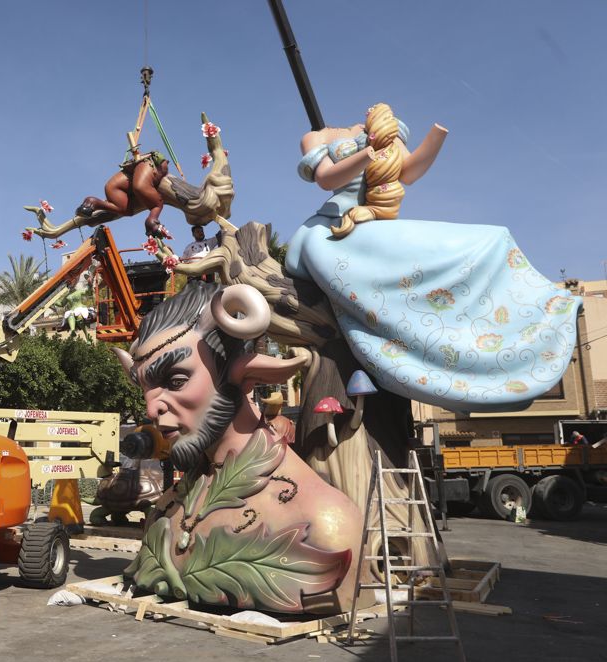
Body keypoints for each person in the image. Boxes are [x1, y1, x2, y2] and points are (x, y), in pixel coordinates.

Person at [285, 102, 580, 413]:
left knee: (493, 238)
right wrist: (366, 154)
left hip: (375, 222)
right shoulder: (317, 137)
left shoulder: (383, 129)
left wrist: (435, 138)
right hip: (336, 229)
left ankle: (488, 343)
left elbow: (408, 172)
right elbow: (327, 179)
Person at [112, 281, 362, 614]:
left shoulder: (322, 522)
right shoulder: (165, 512)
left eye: (175, 381)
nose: (152, 409)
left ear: (241, 373)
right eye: (146, 389)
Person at [76, 148, 170, 238]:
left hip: (114, 185)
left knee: (127, 210)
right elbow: (140, 187)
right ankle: (152, 221)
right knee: (157, 204)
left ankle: (94, 202)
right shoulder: (158, 166)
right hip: (145, 166)